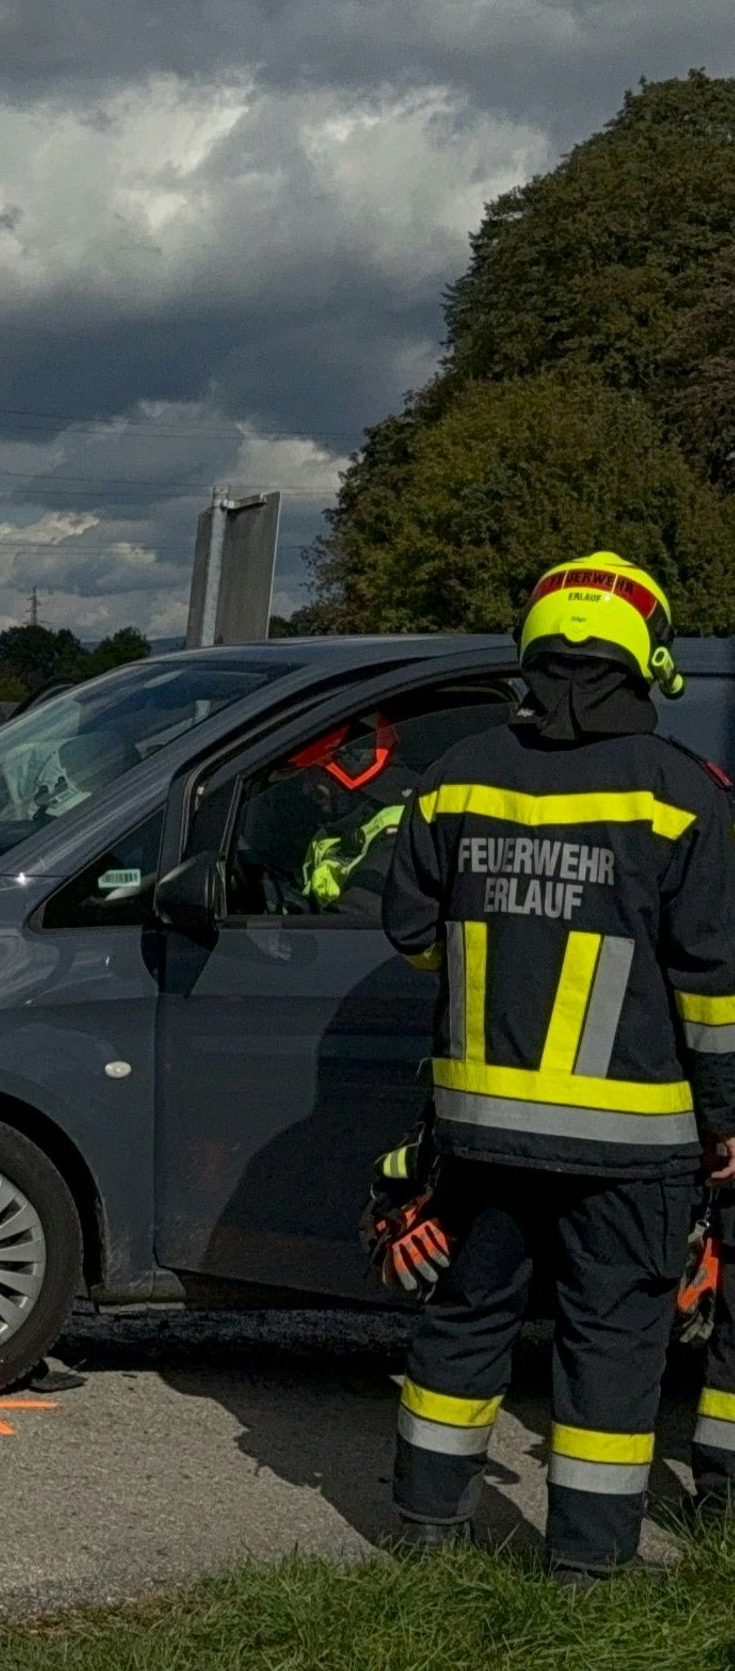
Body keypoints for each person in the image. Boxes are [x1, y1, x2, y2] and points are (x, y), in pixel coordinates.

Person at [380, 552, 735, 1582]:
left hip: (480, 1129)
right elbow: (713, 987)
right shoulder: (683, 797)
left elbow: (411, 936)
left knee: (465, 1315)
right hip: (634, 1148)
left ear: (533, 648)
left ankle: (424, 1533)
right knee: (613, 1347)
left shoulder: (454, 779)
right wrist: (726, 1118)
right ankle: (583, 1572)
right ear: (648, 660)